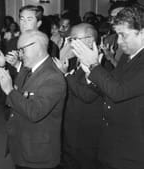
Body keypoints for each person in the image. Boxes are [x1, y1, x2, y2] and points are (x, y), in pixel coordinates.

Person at [71, 4, 144, 169]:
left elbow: (119, 92)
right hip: (113, 144)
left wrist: (94, 66)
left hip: (133, 149)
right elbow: (111, 86)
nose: (118, 41)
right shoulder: (129, 56)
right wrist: (90, 72)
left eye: (122, 35)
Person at [0, 30, 66, 169]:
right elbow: (14, 102)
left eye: (21, 50)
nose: (19, 54)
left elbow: (34, 112)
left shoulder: (52, 76)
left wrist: (9, 90)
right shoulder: (27, 69)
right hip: (21, 146)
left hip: (38, 154)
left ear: (36, 47)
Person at [53, 23, 104, 169]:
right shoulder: (74, 61)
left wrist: (66, 75)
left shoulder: (101, 64)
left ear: (89, 40)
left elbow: (87, 95)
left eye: (74, 39)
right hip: (70, 129)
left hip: (87, 133)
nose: (70, 44)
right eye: (70, 39)